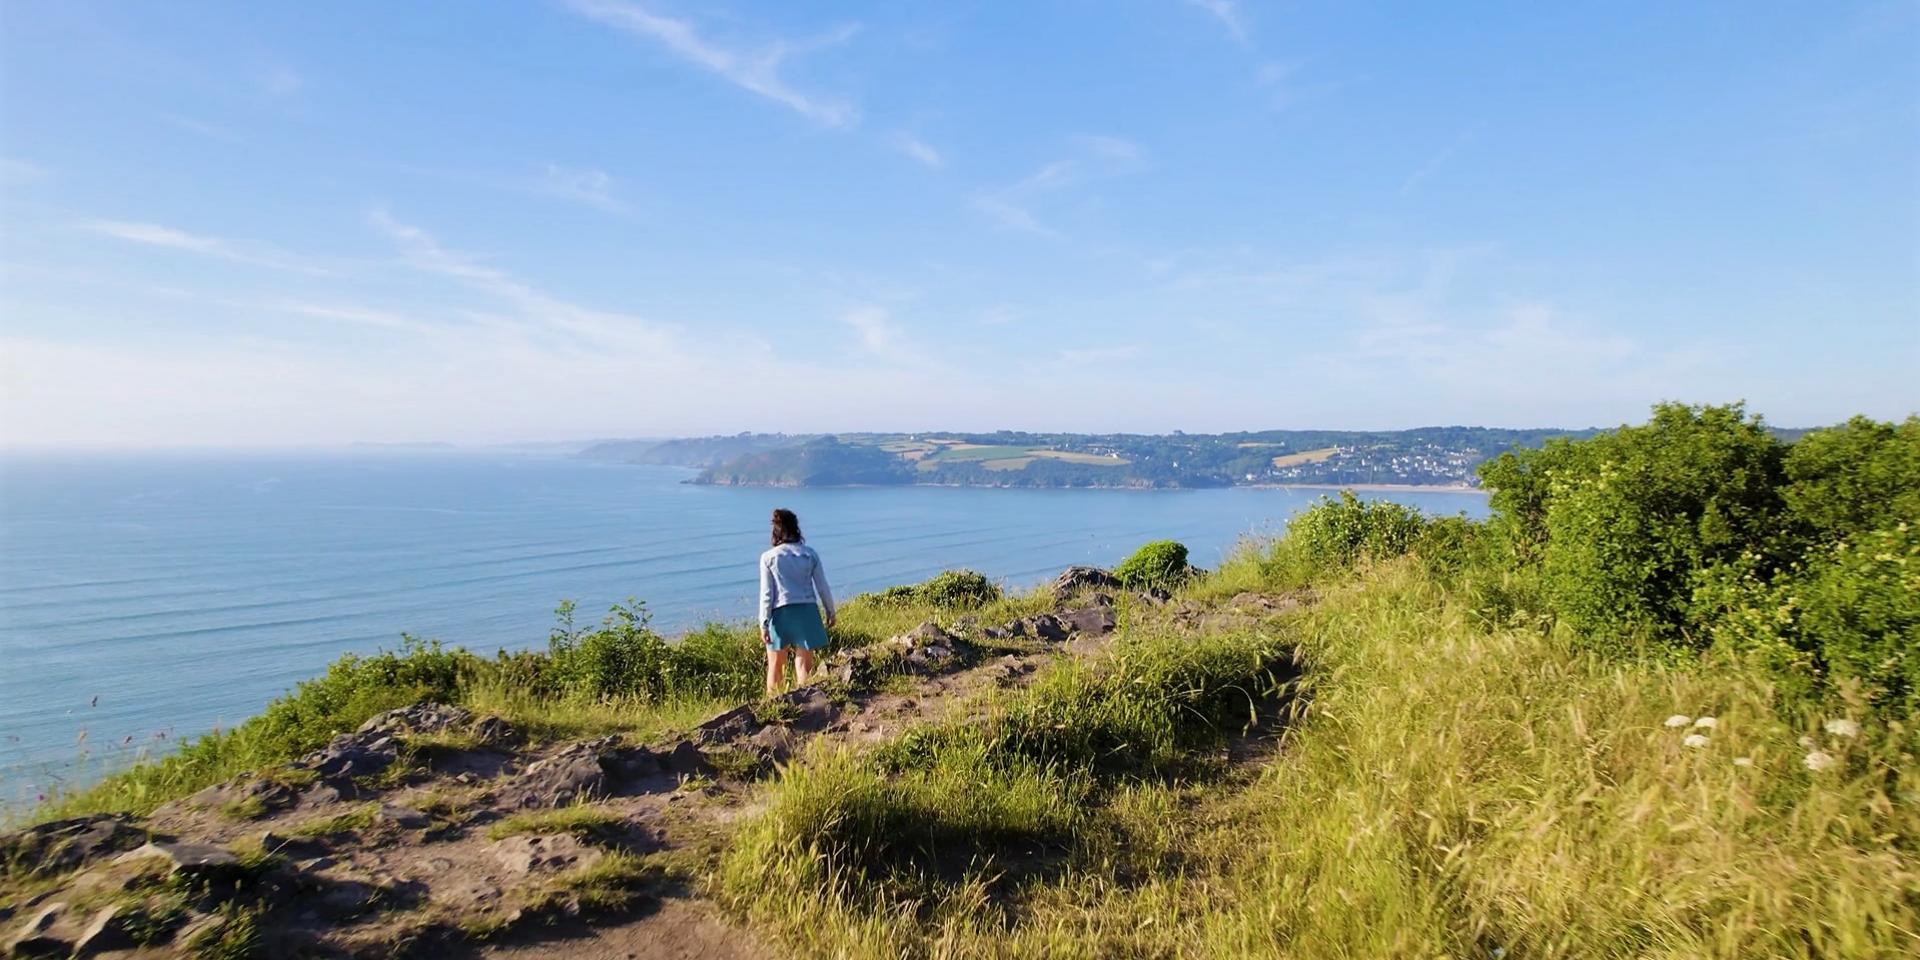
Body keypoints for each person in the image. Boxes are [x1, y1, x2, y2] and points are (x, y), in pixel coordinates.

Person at [759, 508, 835, 693]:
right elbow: (822, 586)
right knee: (804, 667)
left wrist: (763, 622)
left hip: (780, 613)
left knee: (775, 667)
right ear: (796, 529)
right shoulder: (810, 554)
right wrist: (830, 610)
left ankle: (773, 707)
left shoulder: (768, 557)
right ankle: (806, 706)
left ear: (775, 531)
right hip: (807, 611)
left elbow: (766, 594)